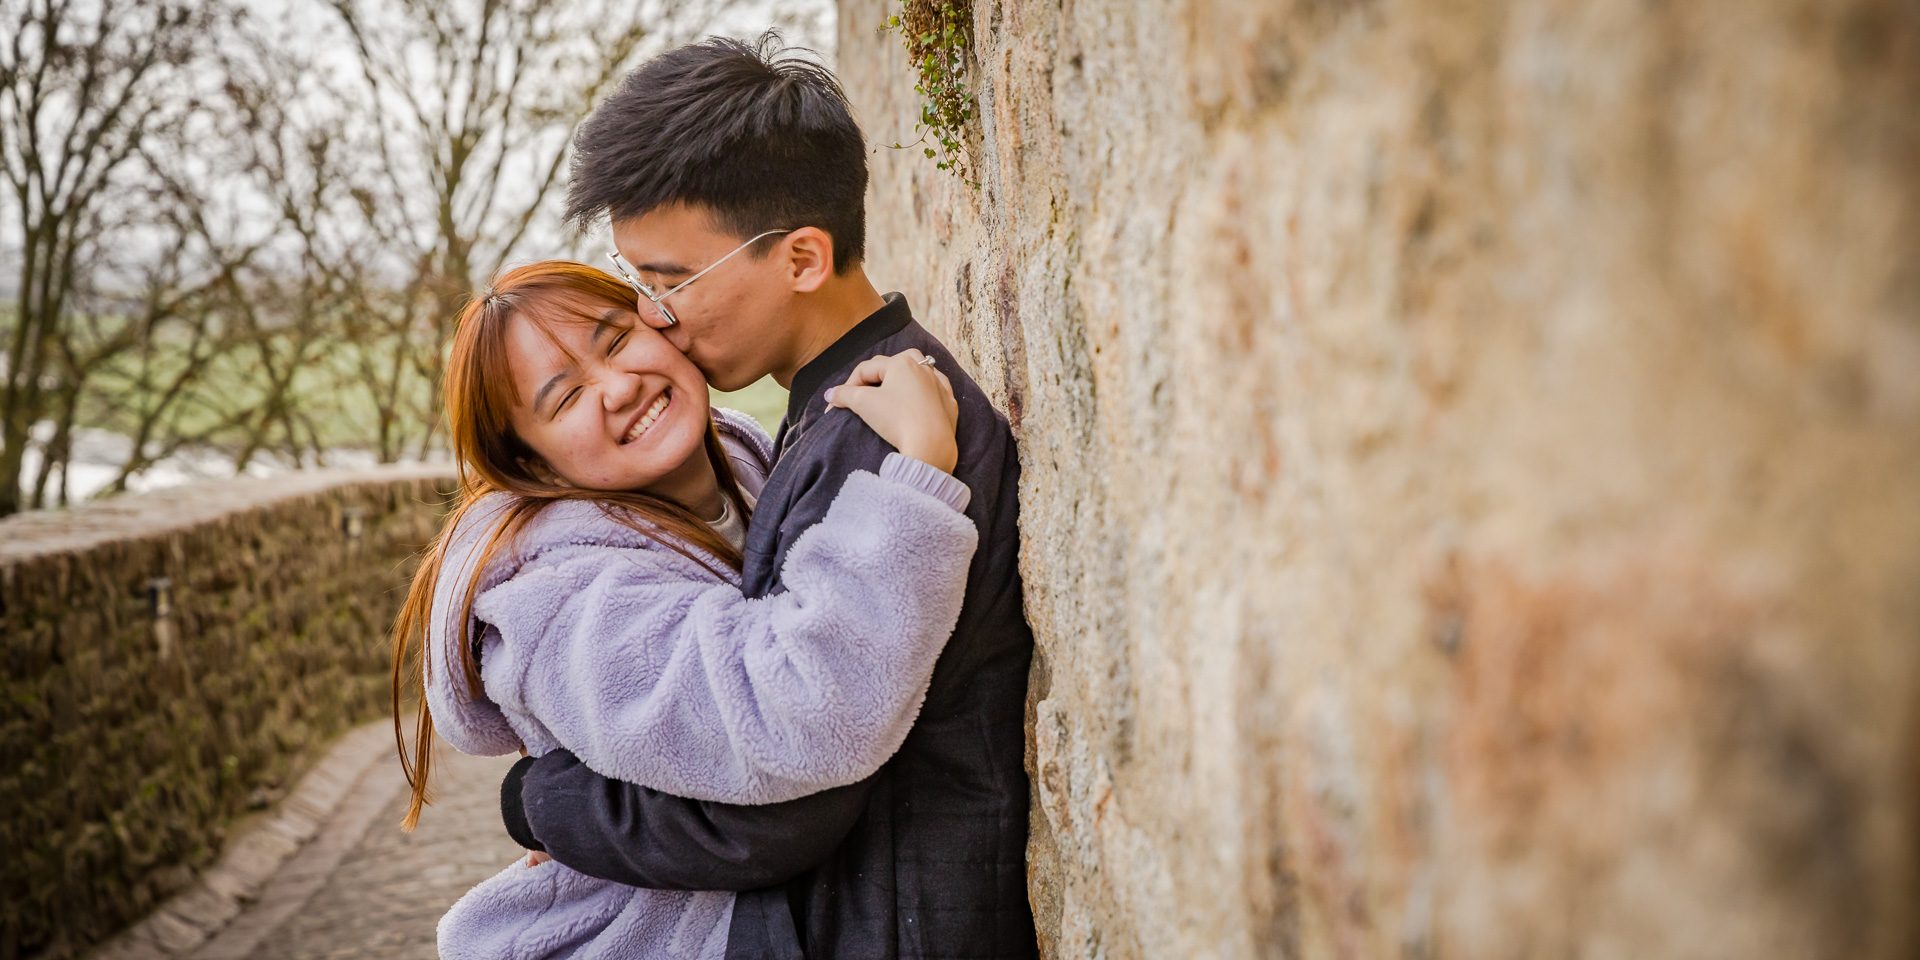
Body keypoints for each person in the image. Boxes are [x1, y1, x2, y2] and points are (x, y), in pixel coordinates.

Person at [498, 33, 1039, 959]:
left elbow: (785, 791)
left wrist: (546, 798)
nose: (655, 316)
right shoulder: (834, 411)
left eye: (671, 282)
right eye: (638, 285)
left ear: (799, 258)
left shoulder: (883, 439)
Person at [390, 260, 981, 957]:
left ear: (662, 322)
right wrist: (918, 470)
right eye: (564, 399)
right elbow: (798, 715)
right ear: (536, 467)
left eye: (614, 341)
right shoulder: (560, 603)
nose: (616, 387)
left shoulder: (746, 458)